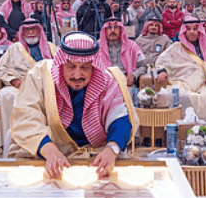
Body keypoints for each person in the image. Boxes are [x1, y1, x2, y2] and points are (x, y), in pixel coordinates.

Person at [8, 32, 138, 179]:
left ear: (94, 66)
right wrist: (49, 150)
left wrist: (111, 149)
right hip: (48, 154)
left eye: (85, 67)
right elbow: (26, 118)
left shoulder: (107, 81)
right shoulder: (39, 76)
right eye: (71, 66)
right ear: (61, 62)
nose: (77, 75)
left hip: (95, 156)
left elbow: (120, 120)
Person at [155, 17, 206, 138]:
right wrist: (163, 72)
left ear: (199, 31)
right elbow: (162, 61)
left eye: (195, 29)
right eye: (188, 29)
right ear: (184, 31)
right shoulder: (176, 47)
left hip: (204, 84)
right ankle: (177, 135)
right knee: (179, 97)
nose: (192, 32)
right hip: (182, 83)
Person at [0, 19, 56, 143]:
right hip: (21, 85)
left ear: (39, 31)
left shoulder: (51, 47)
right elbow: (1, 68)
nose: (31, 33)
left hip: (47, 86)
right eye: (27, 30)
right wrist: (13, 80)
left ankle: (48, 141)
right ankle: (11, 140)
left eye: (34, 29)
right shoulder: (14, 48)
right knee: (6, 95)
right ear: (22, 32)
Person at [97, 18, 144, 87]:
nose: (112, 30)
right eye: (109, 27)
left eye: (116, 27)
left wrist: (133, 75)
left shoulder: (132, 46)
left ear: (121, 29)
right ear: (105, 30)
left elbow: (143, 66)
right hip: (103, 84)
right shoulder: (97, 47)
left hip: (125, 83)